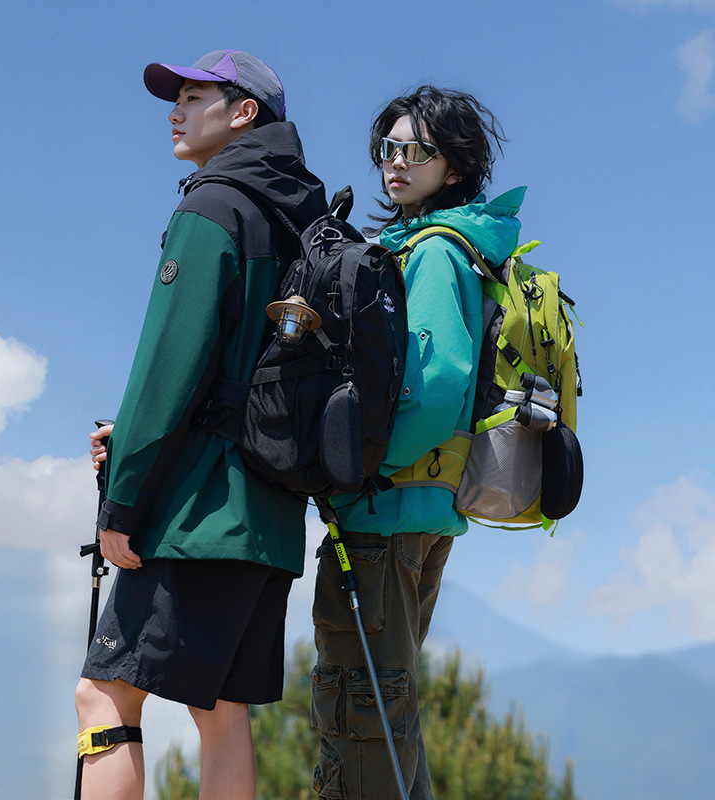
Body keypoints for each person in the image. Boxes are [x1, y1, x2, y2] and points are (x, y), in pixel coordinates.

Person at [75, 49, 326, 800]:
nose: (174, 112)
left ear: (244, 113)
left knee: (104, 696)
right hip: (270, 516)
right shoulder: (303, 219)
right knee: (220, 710)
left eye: (192, 97)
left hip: (197, 513)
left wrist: (123, 502)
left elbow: (169, 366)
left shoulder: (212, 207)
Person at [310, 86, 525, 799]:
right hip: (424, 510)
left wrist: (357, 472)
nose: (396, 163)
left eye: (418, 151)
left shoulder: (433, 253)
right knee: (386, 707)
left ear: (453, 167)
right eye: (389, 148)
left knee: (362, 710)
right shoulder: (465, 247)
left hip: (387, 512)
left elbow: (435, 388)